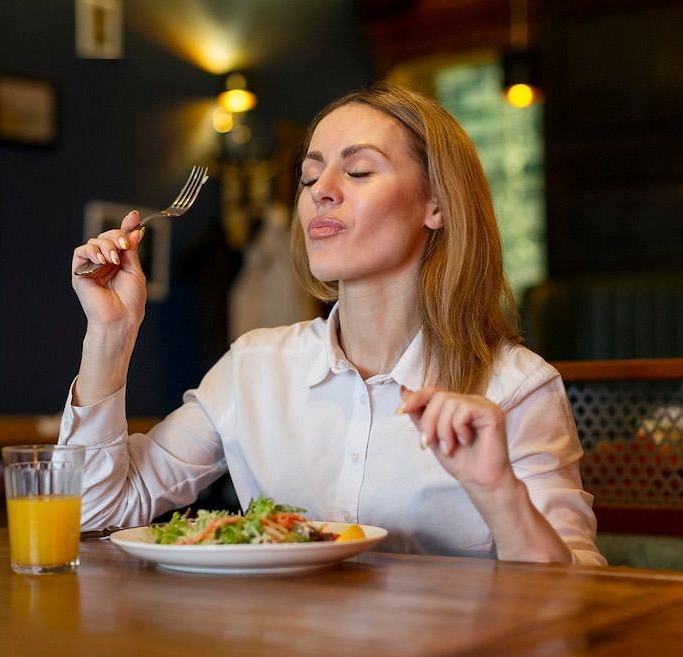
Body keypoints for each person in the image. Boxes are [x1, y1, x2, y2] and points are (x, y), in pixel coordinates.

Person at [62, 82, 605, 565]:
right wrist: (110, 335)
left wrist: (498, 492)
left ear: (435, 206)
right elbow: (93, 513)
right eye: (309, 175)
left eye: (360, 170)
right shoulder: (254, 366)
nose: (321, 189)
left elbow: (574, 601)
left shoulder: (517, 388)